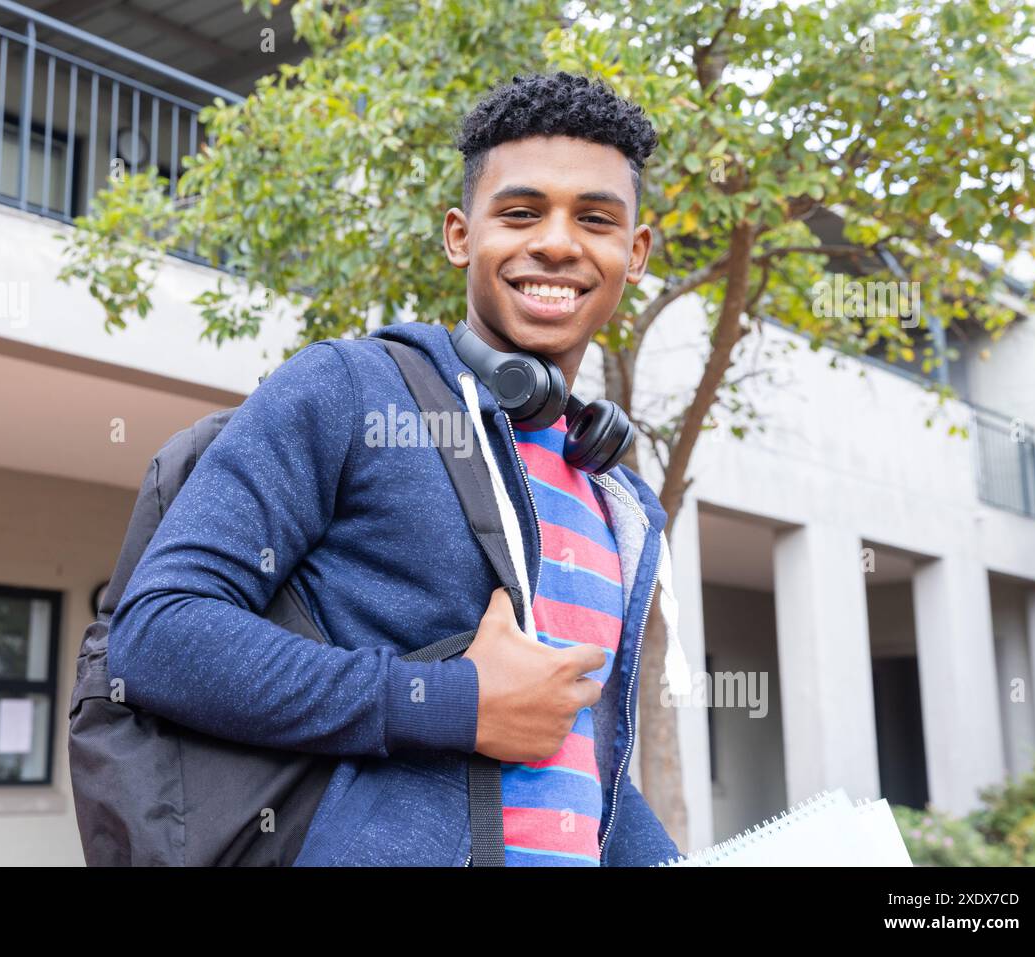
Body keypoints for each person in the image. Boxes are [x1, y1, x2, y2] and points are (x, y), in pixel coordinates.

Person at [108, 70, 683, 866]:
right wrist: (455, 701)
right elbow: (156, 634)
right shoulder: (348, 389)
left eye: (595, 218)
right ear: (459, 235)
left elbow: (584, 769)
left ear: (636, 251)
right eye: (520, 213)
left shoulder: (613, 494)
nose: (556, 241)